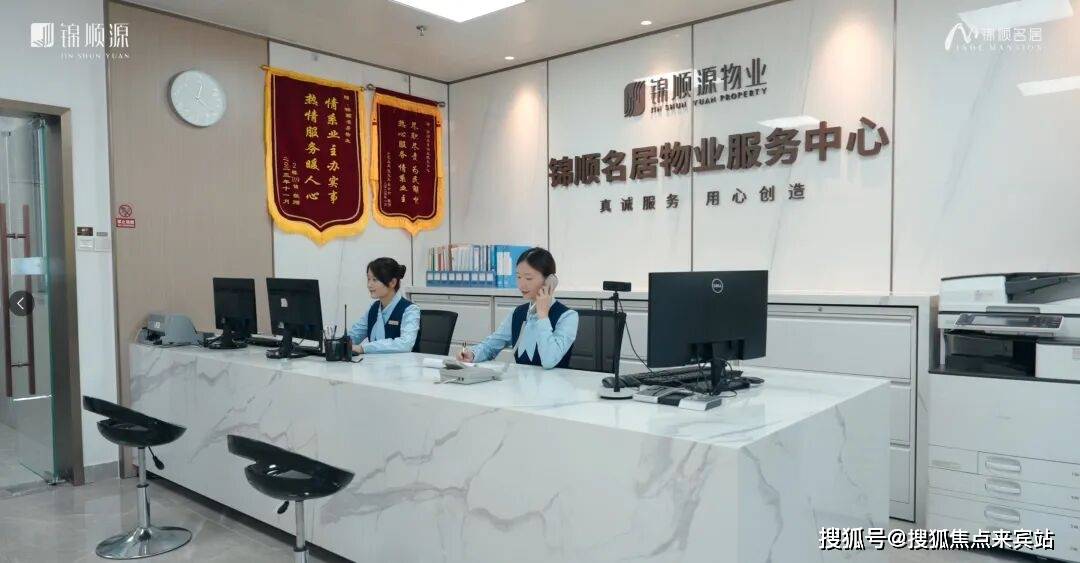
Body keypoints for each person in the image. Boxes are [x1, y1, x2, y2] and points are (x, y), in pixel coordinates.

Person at [458, 247, 577, 369]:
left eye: (528, 278)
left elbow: (549, 361)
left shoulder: (568, 317)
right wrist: (472, 354)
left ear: (549, 281)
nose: (521, 284)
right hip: (520, 381)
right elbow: (491, 345)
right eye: (519, 277)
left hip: (555, 381)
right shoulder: (518, 313)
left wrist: (543, 315)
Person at [348, 257, 420, 354]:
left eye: (375, 280)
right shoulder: (374, 308)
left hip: (402, 364)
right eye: (368, 279)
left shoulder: (410, 310)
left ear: (392, 282)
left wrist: (363, 348)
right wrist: (337, 343)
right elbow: (355, 335)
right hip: (373, 363)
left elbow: (405, 344)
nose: (369, 285)